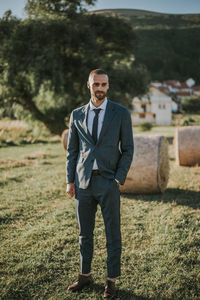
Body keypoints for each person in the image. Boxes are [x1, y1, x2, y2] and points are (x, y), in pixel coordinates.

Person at [66, 69, 134, 298]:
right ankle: (85, 275)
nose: (100, 88)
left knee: (113, 234)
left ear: (108, 86)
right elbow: (72, 151)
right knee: (84, 234)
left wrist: (118, 177)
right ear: (88, 85)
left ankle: (111, 280)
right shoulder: (76, 114)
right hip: (82, 183)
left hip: (108, 182)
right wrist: (69, 180)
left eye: (104, 84)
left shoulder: (121, 113)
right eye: (96, 84)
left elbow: (128, 149)